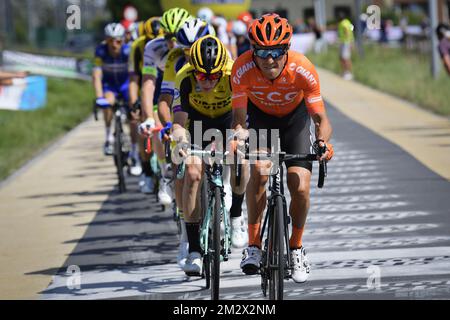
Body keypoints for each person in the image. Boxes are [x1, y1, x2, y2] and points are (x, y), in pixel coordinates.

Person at [230, 13, 334, 283]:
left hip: (295, 121)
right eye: (262, 52)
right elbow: (239, 119)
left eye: (277, 51)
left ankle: (296, 247)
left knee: (299, 186)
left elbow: (321, 119)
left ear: (287, 48)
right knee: (260, 171)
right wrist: (240, 135)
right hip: (262, 120)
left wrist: (322, 142)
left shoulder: (303, 68)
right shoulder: (241, 68)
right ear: (252, 50)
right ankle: (254, 244)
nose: (269, 59)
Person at [171, 35, 248, 276]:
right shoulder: (184, 77)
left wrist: (239, 137)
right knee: (193, 173)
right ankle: (194, 250)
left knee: (240, 157)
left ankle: (236, 215)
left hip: (227, 122)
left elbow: (240, 119)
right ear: (193, 71)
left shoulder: (232, 74)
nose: (207, 81)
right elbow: (179, 123)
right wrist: (182, 141)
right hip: (197, 125)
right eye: (202, 76)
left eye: (213, 76)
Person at [139, 7, 192, 194]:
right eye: (167, 36)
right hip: (164, 87)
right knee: (159, 126)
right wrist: (148, 118)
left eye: (176, 36)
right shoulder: (153, 48)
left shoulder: (195, 44)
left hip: (188, 87)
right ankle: (166, 174)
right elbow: (148, 84)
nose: (172, 42)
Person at [128, 17, 164, 178]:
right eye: (150, 40)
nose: (155, 43)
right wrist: (134, 102)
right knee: (146, 124)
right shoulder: (138, 47)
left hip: (165, 84)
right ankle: (147, 170)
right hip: (148, 84)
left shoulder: (170, 45)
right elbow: (135, 78)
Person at [93, 23, 131, 156]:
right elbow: (97, 75)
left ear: (123, 40)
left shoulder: (128, 51)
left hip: (126, 84)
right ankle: (108, 137)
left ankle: (134, 147)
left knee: (133, 113)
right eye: (110, 40)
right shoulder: (100, 51)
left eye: (118, 41)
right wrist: (99, 97)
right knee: (107, 102)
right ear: (106, 40)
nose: (114, 44)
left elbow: (135, 74)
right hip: (110, 86)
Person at [337, 12, 354, 80]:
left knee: (345, 58)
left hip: (345, 42)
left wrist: (350, 42)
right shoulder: (347, 22)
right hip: (345, 42)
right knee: (342, 57)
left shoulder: (343, 23)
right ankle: (345, 72)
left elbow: (347, 32)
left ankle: (348, 73)